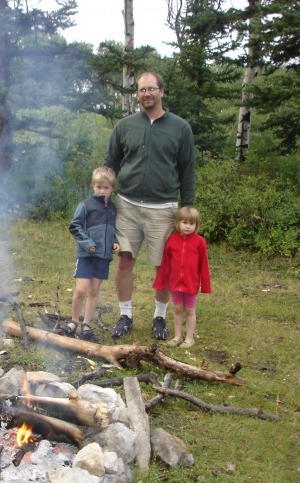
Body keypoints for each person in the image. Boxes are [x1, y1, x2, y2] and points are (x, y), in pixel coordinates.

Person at [103, 71, 196, 340]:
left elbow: (188, 170)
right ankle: (126, 314)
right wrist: (102, 200)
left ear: (161, 91)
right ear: (137, 94)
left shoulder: (180, 128)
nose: (146, 94)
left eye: (151, 89)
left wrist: (187, 209)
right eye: (142, 90)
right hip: (128, 205)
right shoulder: (125, 126)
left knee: (163, 266)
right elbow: (111, 164)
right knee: (124, 260)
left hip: (163, 208)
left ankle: (159, 316)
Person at [59, 166, 120, 340]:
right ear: (93, 186)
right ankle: (73, 321)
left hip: (103, 257)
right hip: (86, 255)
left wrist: (115, 243)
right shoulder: (86, 205)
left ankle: (86, 323)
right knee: (81, 289)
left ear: (112, 189)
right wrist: (87, 244)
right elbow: (75, 226)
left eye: (106, 188)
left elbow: (112, 231)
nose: (102, 191)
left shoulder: (113, 209)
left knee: (94, 290)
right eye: (98, 187)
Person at [153, 206, 211, 348]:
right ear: (178, 223)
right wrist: (161, 281)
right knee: (178, 309)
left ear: (196, 225)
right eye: (185, 223)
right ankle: (177, 336)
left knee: (190, 310)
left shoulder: (200, 242)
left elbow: (204, 264)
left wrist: (205, 285)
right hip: (175, 283)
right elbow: (166, 263)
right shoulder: (172, 240)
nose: (188, 226)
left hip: (191, 283)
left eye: (192, 224)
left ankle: (189, 338)